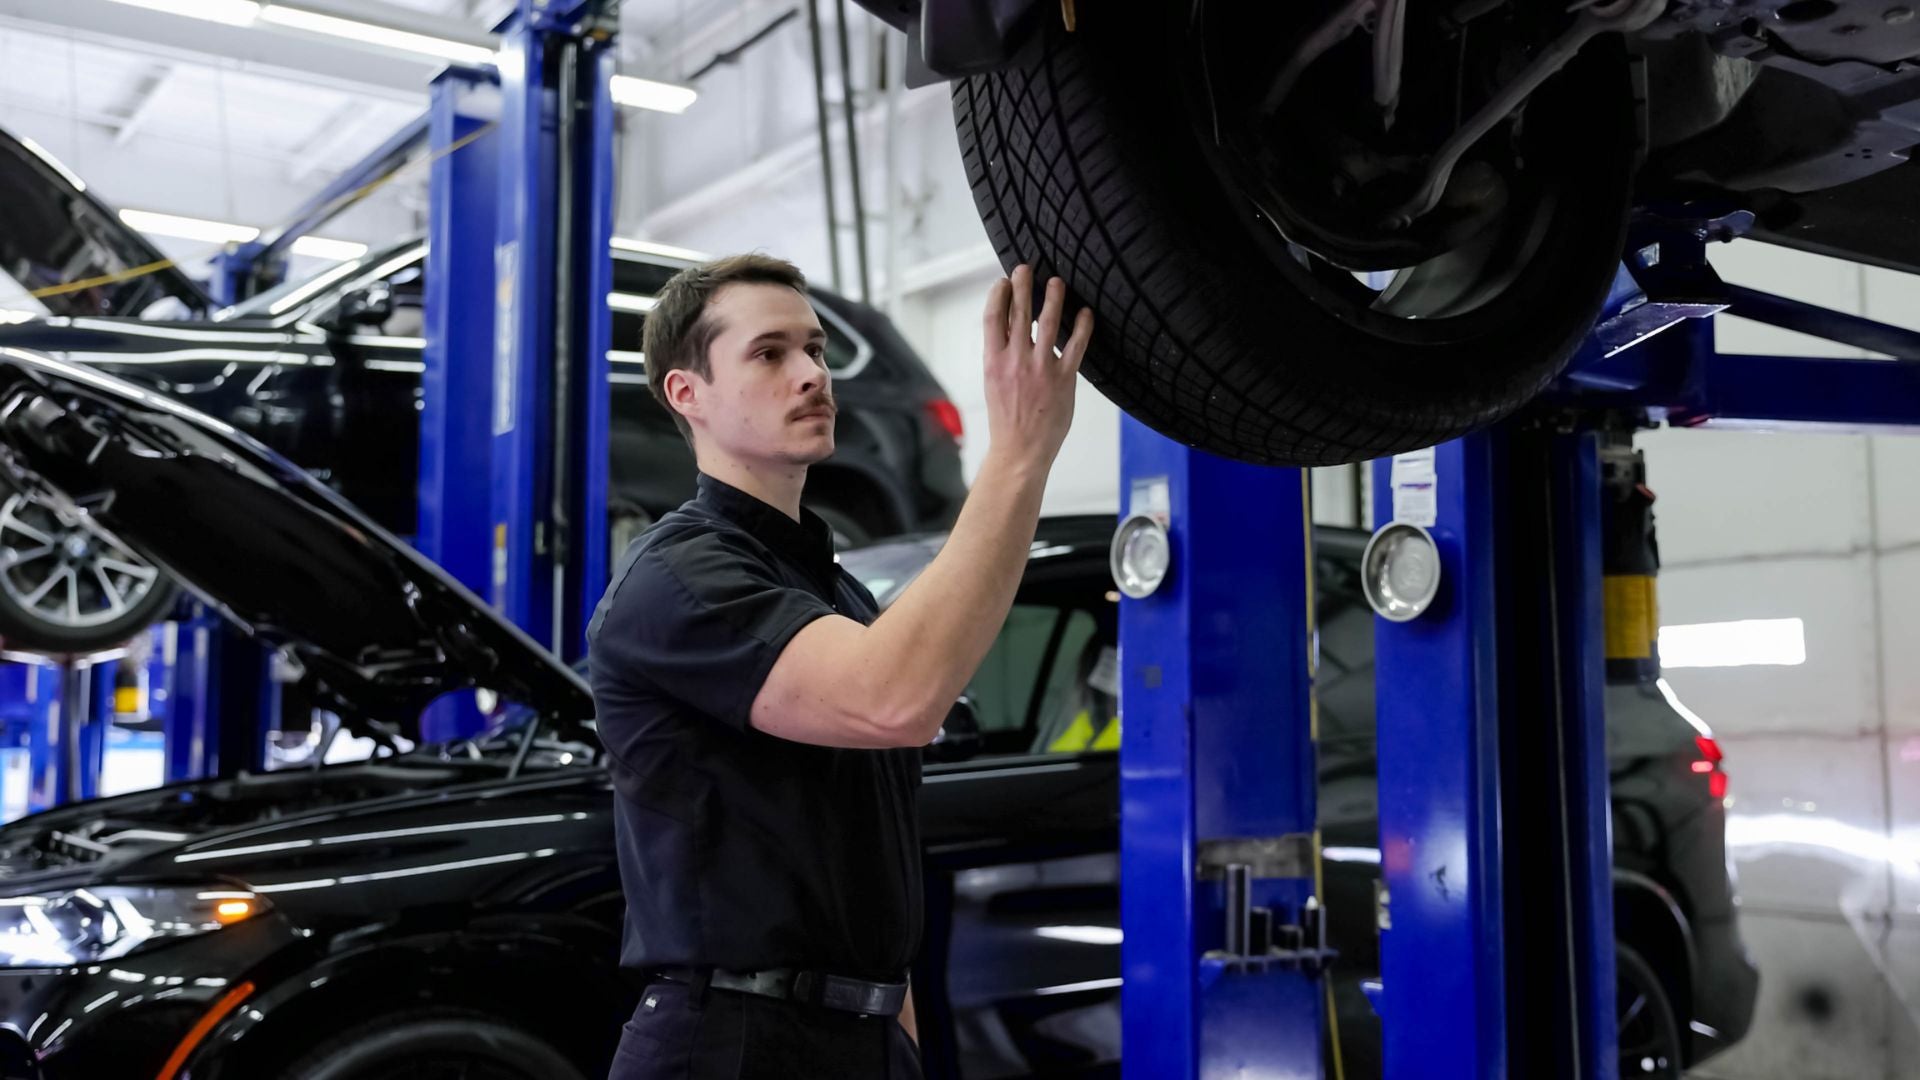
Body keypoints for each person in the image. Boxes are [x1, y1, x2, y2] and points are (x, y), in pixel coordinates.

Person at [587, 254, 1093, 1079]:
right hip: (731, 1048)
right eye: (770, 353)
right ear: (688, 395)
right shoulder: (678, 579)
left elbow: (862, 852)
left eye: (816, 350)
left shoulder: (839, 594)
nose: (812, 374)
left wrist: (895, 1030)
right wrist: (1020, 454)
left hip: (860, 1038)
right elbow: (896, 700)